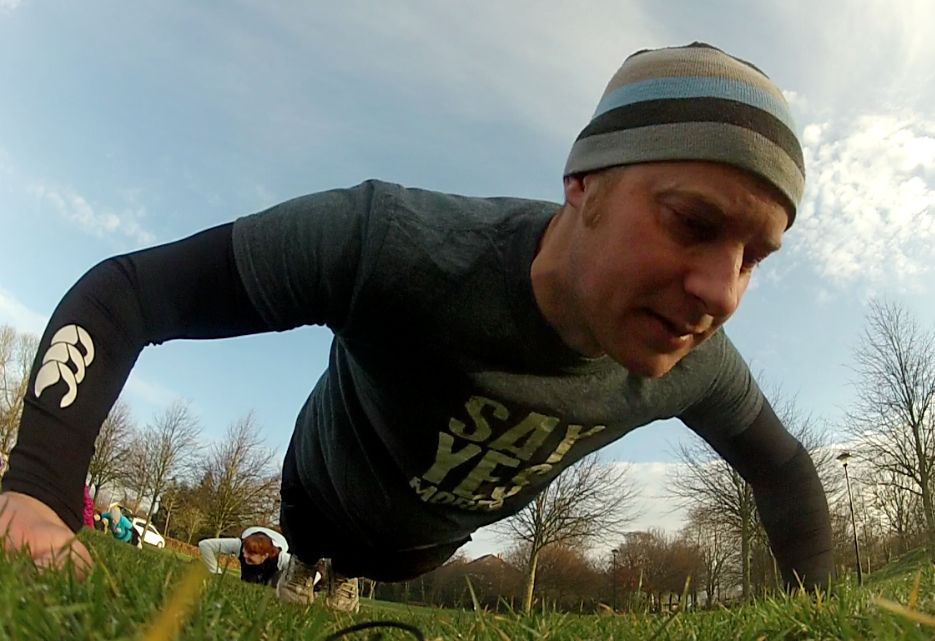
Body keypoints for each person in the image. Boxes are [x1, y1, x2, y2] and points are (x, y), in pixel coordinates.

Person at [0, 42, 833, 612]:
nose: (720, 291)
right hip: (317, 498)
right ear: (584, 183)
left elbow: (785, 470)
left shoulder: (699, 363)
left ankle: (346, 578)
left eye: (753, 257)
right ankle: (309, 569)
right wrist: (38, 487)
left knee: (393, 562)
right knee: (312, 550)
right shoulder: (395, 244)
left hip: (419, 550)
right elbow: (127, 295)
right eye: (691, 222)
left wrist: (814, 613)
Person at [198, 527, 295, 586]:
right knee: (248, 581)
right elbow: (205, 545)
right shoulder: (238, 544)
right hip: (252, 533)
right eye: (245, 551)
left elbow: (300, 570)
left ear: (265, 555)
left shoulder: (282, 558)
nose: (245, 555)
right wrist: (215, 571)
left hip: (274, 570)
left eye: (251, 554)